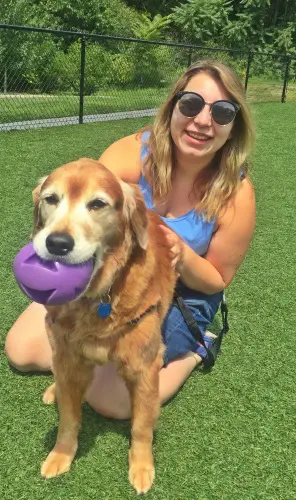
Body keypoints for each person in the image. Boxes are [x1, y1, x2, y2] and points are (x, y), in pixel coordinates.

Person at [5, 60, 255, 419]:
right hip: (121, 276)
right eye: (191, 104)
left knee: (111, 401)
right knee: (23, 351)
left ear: (233, 127)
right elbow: (85, 204)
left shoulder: (237, 194)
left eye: (222, 111)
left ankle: (196, 350)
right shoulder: (133, 153)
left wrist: (181, 255)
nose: (203, 120)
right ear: (172, 109)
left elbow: (217, 279)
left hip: (185, 291)